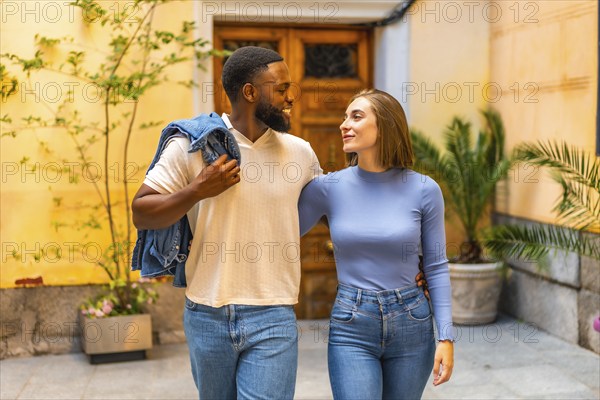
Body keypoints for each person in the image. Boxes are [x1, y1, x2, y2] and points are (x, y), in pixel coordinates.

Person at [131, 46, 321, 400]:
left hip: (273, 314)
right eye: (281, 89)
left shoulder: (301, 152)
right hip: (207, 313)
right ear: (250, 92)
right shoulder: (192, 145)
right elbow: (141, 210)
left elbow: (314, 213)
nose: (289, 98)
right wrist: (197, 190)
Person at [298, 89, 454, 399]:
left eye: (356, 116)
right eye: (345, 116)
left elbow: (436, 266)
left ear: (385, 124)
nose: (344, 124)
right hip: (352, 323)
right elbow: (280, 233)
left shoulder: (425, 190)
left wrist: (446, 337)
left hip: (412, 321)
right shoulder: (327, 188)